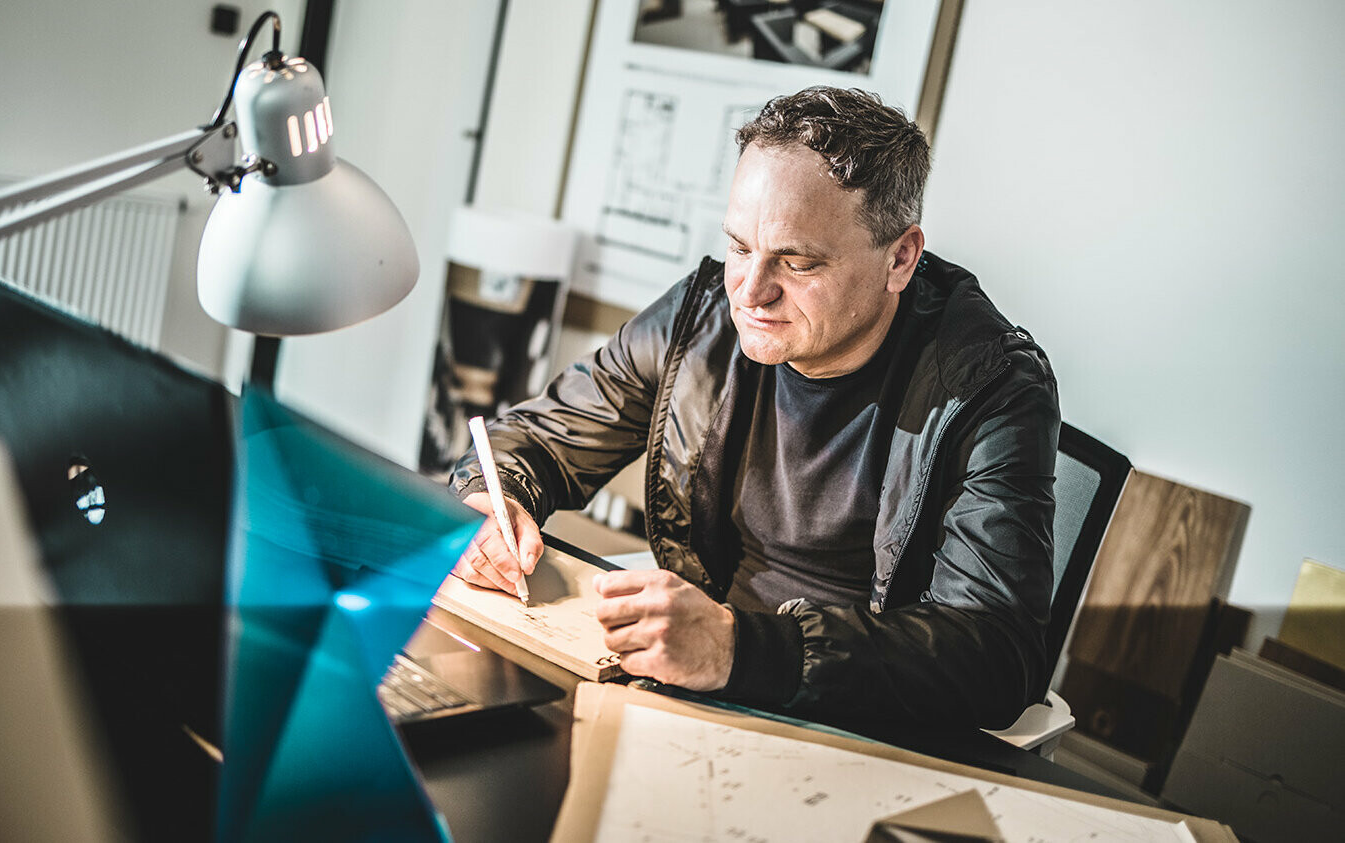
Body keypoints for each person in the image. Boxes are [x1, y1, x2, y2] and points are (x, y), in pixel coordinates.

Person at [449, 86, 1058, 729]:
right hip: (690, 679)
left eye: (797, 263)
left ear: (900, 258)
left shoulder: (989, 386)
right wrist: (496, 500)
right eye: (740, 247)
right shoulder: (702, 318)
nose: (751, 291)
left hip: (859, 716)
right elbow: (537, 438)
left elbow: (995, 652)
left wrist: (739, 649)